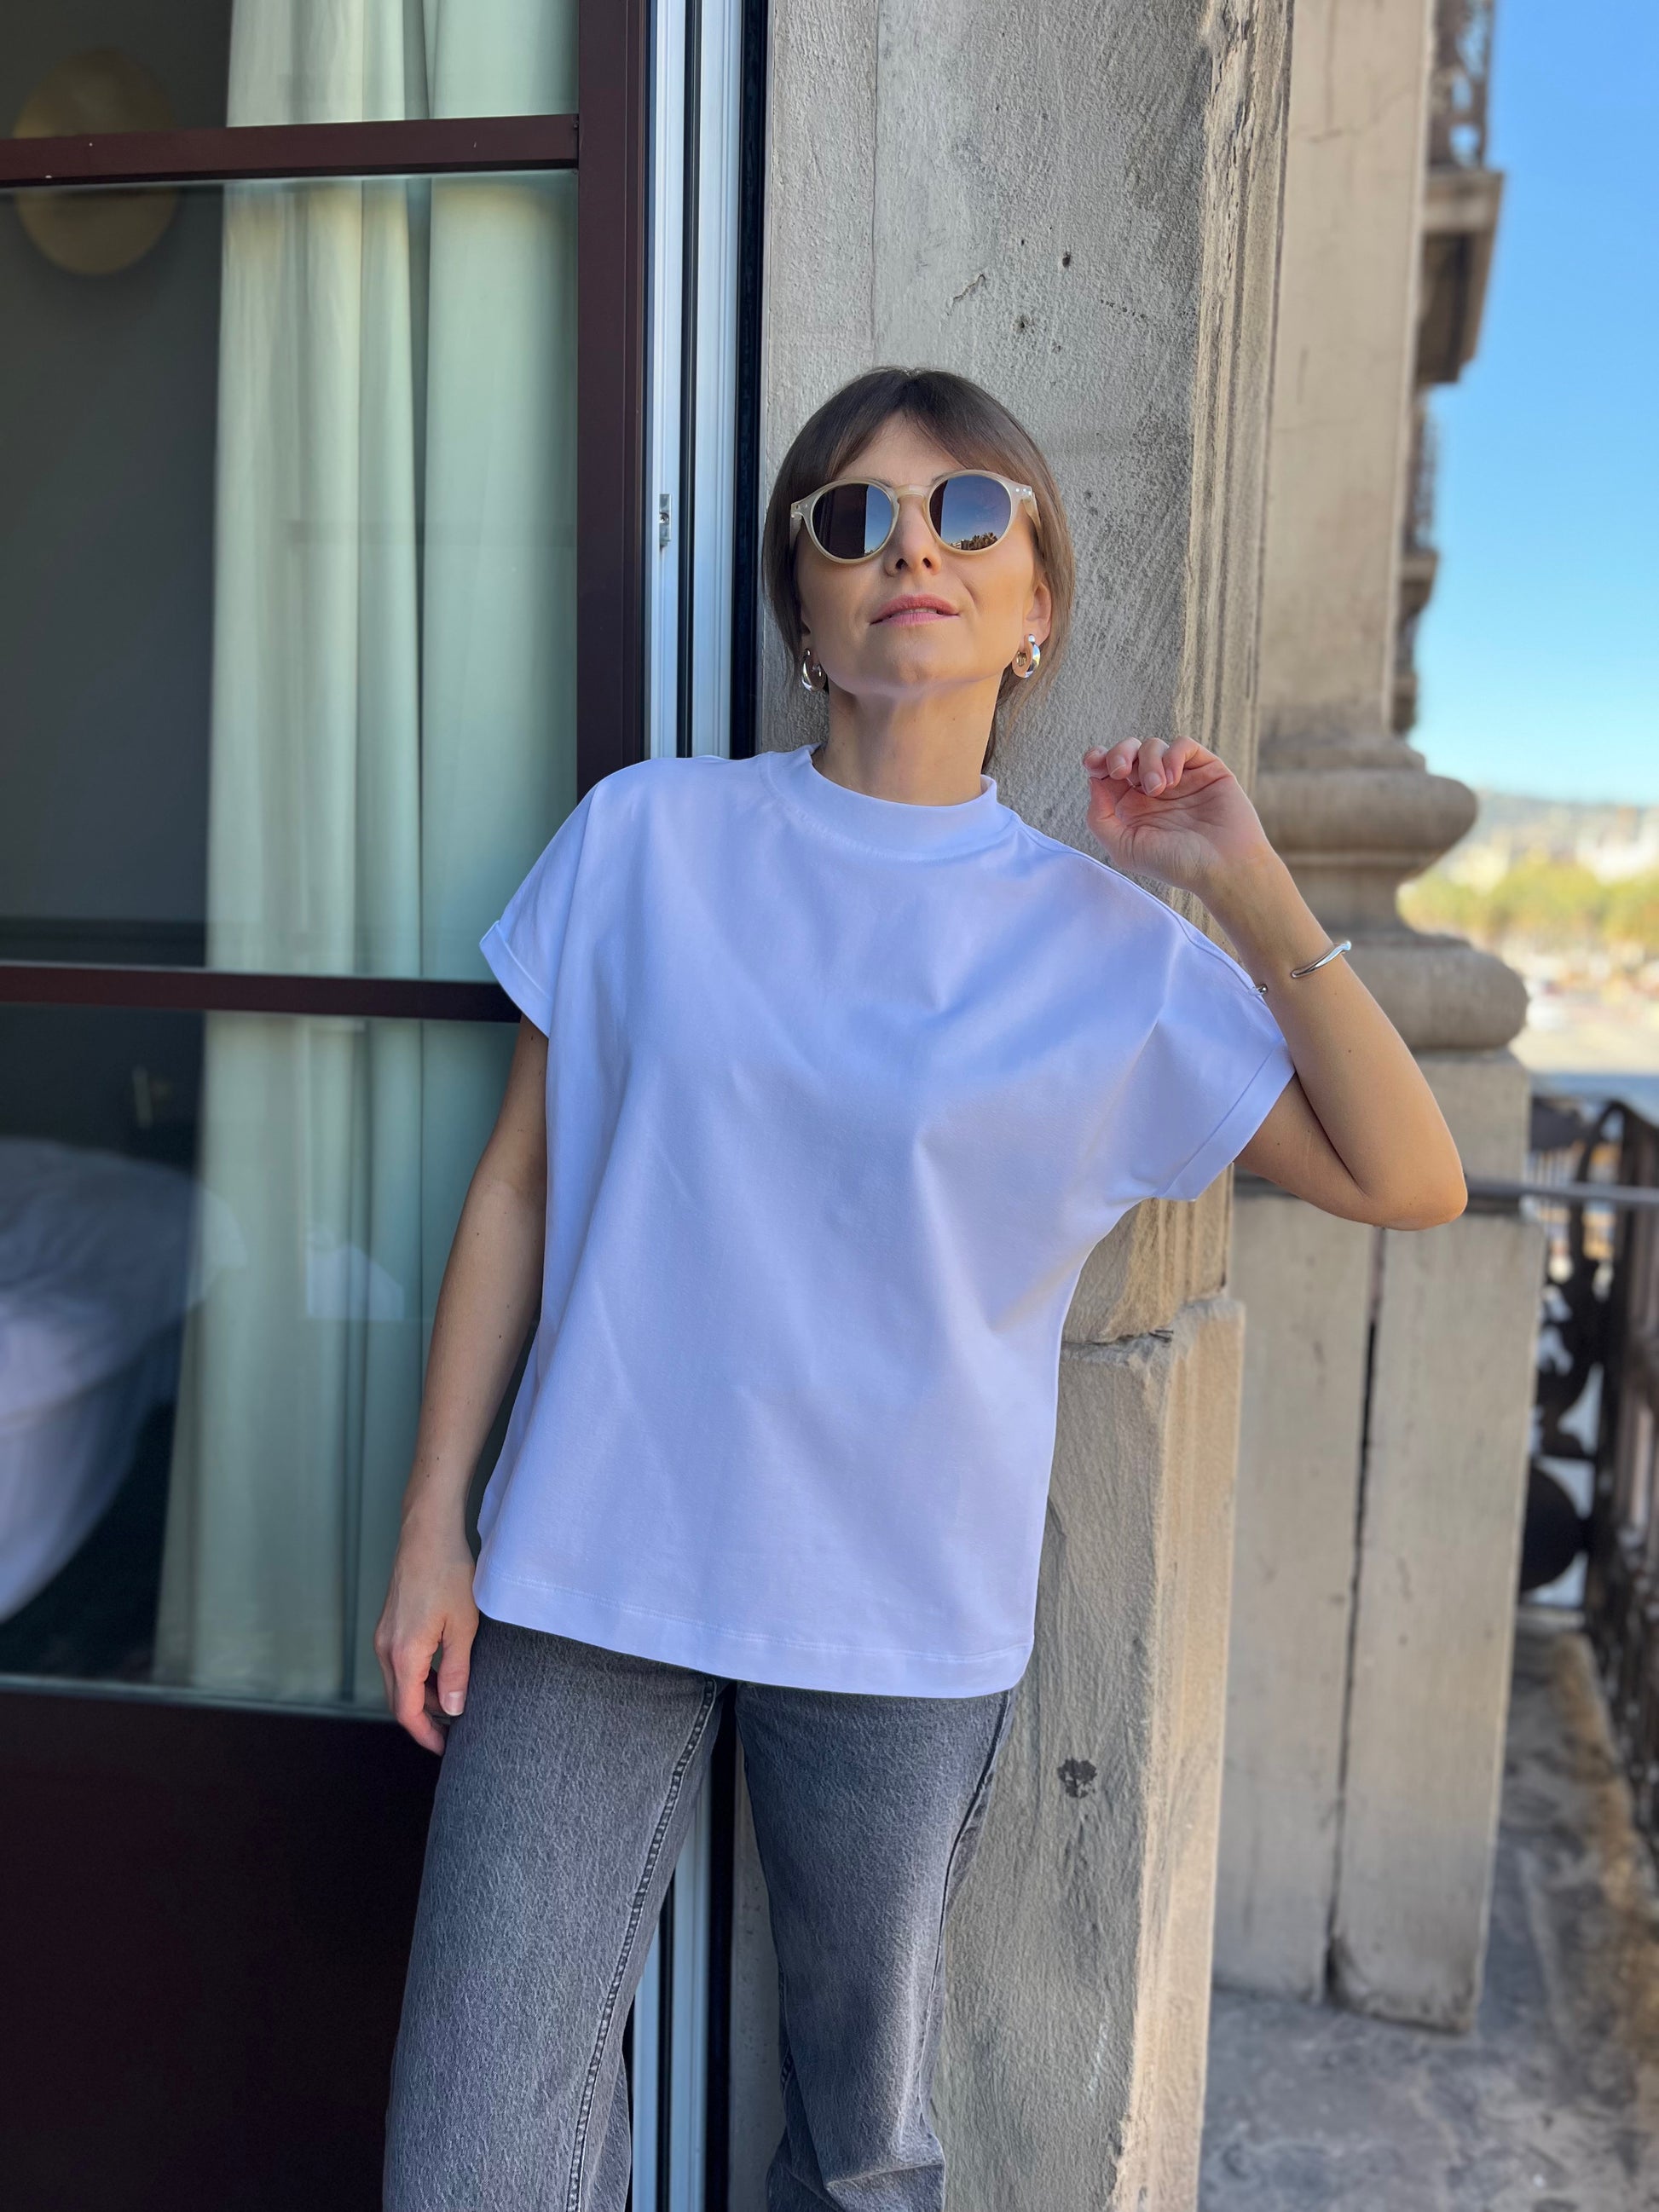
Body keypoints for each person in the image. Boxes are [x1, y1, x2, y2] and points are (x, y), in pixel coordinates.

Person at [377, 366, 1466, 2209]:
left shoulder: (1107, 950)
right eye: (851, 517)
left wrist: (1245, 878)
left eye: (968, 513)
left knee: (861, 2149)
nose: (910, 550)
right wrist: (433, 1528)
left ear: (1036, 608)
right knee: (475, 2146)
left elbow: (1408, 1176)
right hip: (587, 1558)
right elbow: (518, 1185)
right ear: (802, 612)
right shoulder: (646, 839)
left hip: (897, 1604)